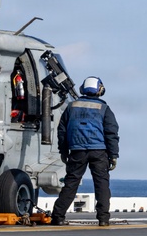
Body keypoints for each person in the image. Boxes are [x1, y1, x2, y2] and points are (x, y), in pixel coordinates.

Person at [51, 76, 120, 227]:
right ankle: (103, 219)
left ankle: (58, 217)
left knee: (71, 183)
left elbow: (61, 130)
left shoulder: (71, 106)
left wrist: (63, 151)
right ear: (99, 90)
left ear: (83, 89)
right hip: (99, 151)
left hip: (77, 151)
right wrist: (113, 155)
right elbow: (111, 132)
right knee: (101, 184)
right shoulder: (104, 108)